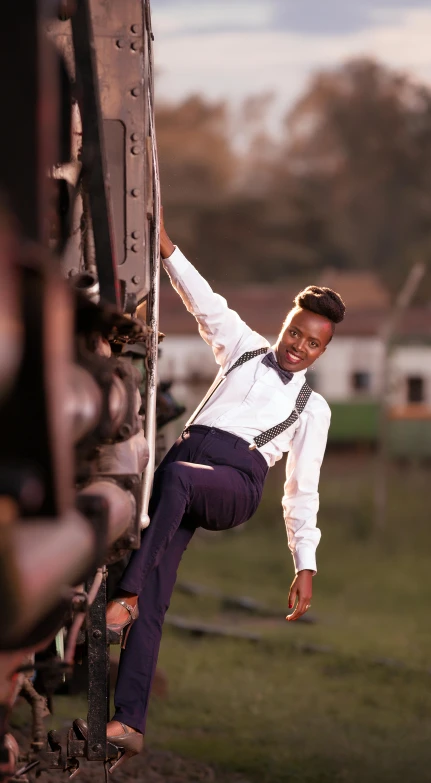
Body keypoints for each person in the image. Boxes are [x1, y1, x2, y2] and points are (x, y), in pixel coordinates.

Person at [85, 215, 345, 767]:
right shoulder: (245, 348)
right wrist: (167, 250)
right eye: (295, 332)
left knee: (173, 490)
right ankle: (128, 721)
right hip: (187, 462)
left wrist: (306, 563)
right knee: (158, 585)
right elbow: (205, 301)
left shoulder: (311, 408)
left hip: (235, 484)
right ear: (285, 325)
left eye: (312, 344)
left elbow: (303, 490)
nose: (298, 346)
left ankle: (123, 599)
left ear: (322, 352)